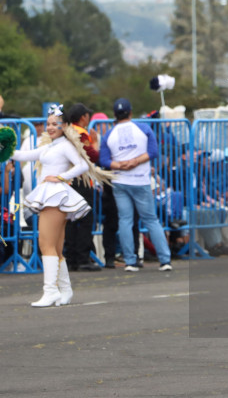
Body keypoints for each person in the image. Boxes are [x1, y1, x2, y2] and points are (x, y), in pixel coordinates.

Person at [8, 104, 112, 306]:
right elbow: (22, 156)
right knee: (55, 247)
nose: (50, 127)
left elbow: (82, 165)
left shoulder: (65, 145)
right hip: (51, 195)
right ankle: (65, 290)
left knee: (45, 245)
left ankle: (51, 291)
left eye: (55, 124)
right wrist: (6, 148)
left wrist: (60, 177)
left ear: (64, 126)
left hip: (56, 196)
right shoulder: (49, 146)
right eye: (48, 124)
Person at [98, 98, 172, 272]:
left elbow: (103, 160)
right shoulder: (144, 128)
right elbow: (153, 152)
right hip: (140, 180)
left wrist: (120, 165)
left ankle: (130, 261)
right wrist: (135, 161)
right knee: (151, 220)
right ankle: (165, 259)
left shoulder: (109, 134)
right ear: (130, 113)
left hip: (120, 181)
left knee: (125, 220)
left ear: (114, 115)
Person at [63, 103, 102, 271]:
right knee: (85, 220)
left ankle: (71, 258)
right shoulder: (81, 134)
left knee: (71, 221)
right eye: (87, 115)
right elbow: (92, 157)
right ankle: (83, 259)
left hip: (69, 180)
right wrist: (95, 142)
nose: (89, 118)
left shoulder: (67, 132)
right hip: (82, 181)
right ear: (82, 118)